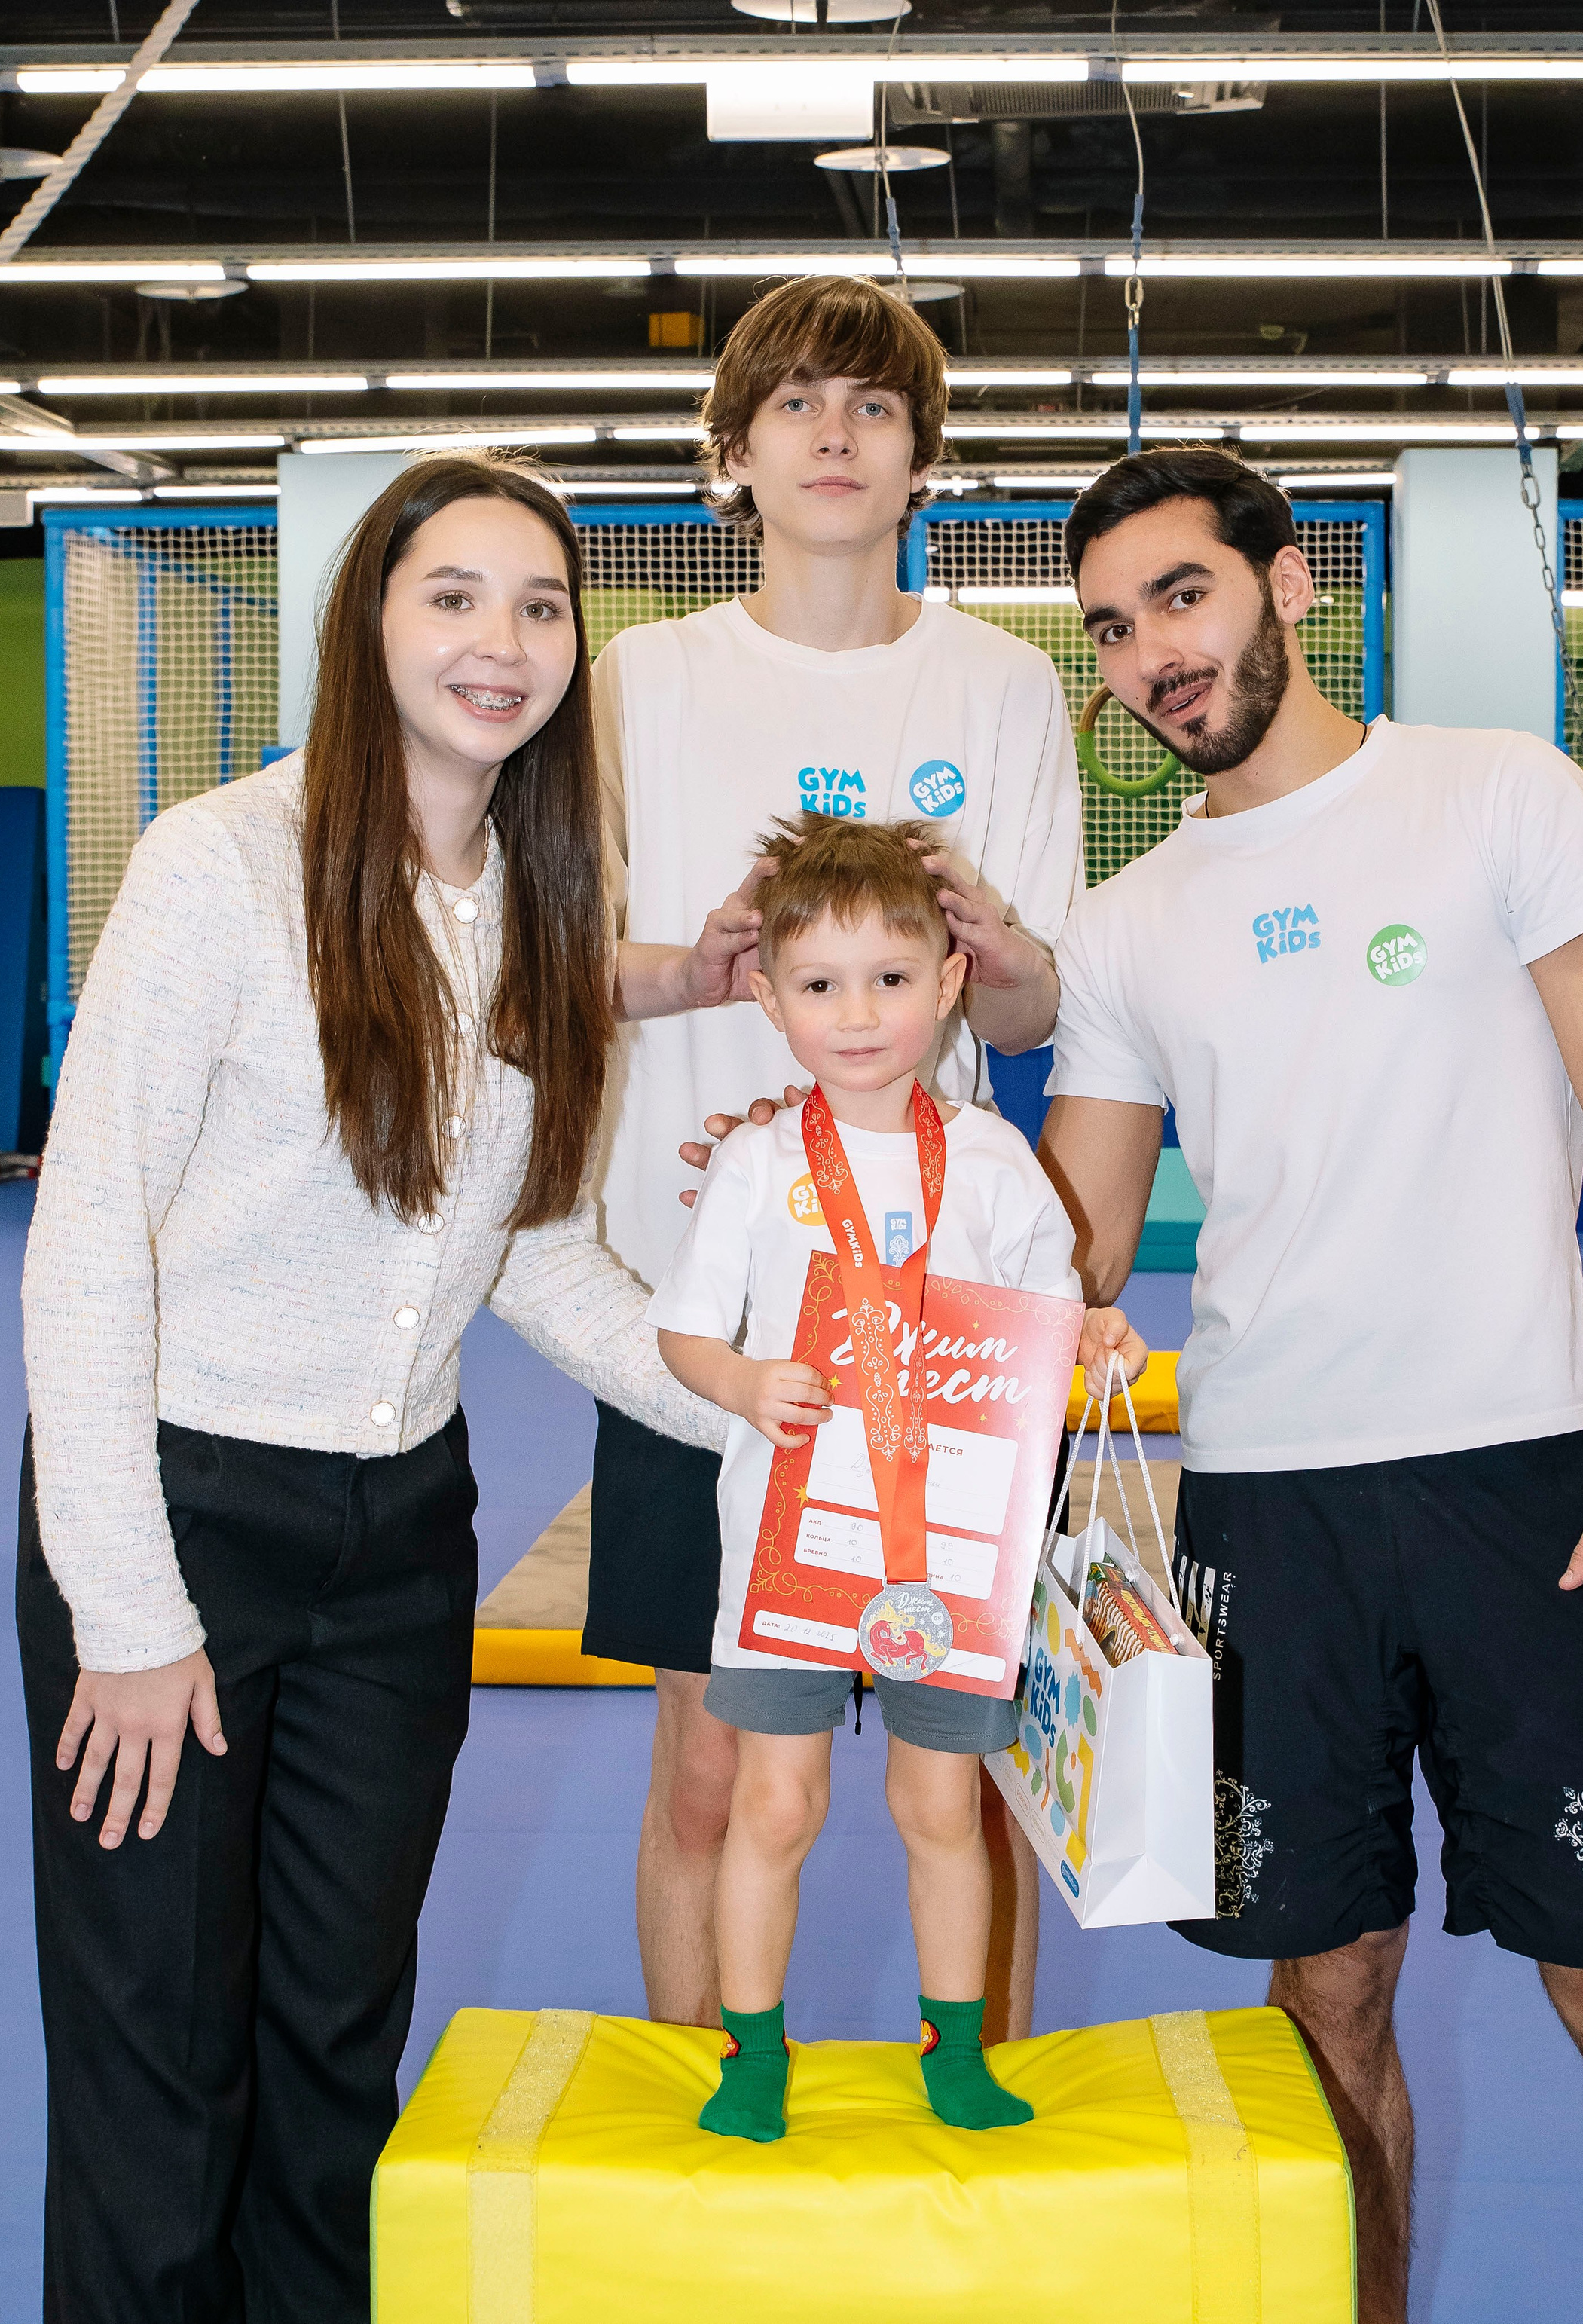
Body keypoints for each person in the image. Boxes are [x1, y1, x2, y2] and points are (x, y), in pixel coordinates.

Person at [17, 454, 756, 2324]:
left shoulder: (533, 903)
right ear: (369, 622)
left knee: (340, 2041)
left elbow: (527, 1252)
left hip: (401, 1545)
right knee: (159, 2061)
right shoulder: (219, 865)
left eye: (535, 605)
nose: (498, 642)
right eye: (452, 596)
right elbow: (88, 1241)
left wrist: (769, 1404)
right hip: (181, 1522)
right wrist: (126, 1608)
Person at [1033, 445, 1583, 2324]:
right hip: (1263, 1517)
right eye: (1109, 629)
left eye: (1179, 595)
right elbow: (1073, 1250)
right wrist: (838, 1179)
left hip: (1521, 1488)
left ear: (1290, 585)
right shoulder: (1128, 924)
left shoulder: (1496, 796)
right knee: (1321, 1999)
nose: (1149, 656)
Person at [586, 274, 1083, 2035]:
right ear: (731, 454)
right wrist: (699, 967)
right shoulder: (634, 679)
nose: (831, 435)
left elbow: (1027, 1018)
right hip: (718, 1318)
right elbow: (551, 966)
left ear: (920, 457)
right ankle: (700, 2108)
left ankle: (980, 2121)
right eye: (792, 405)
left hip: (941, 1329)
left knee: (959, 1784)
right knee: (715, 1778)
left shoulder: (1006, 685)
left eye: (870, 407)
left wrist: (995, 934)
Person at [650, 814, 1144, 2142]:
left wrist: (1096, 1331)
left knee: (945, 1807)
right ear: (767, 998)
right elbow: (685, 1333)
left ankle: (956, 2051)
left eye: (888, 979)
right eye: (818, 985)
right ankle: (754, 2051)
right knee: (775, 1800)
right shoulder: (758, 1165)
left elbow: (1051, 1313)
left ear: (949, 983)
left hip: (952, 1561)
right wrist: (747, 1383)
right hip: (791, 1549)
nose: (857, 1014)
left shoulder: (990, 1159)